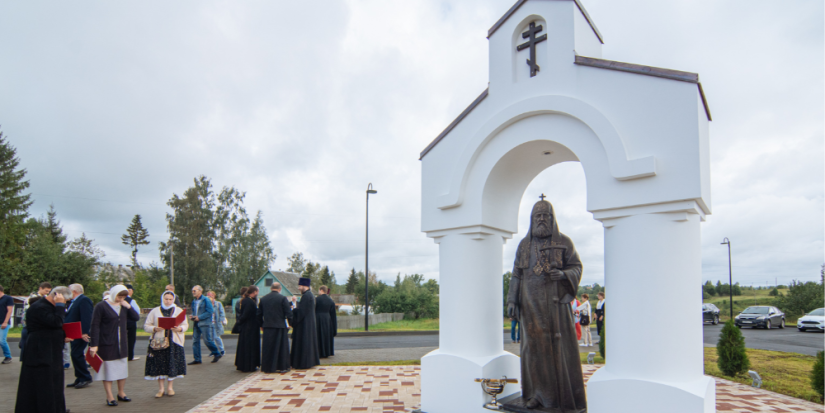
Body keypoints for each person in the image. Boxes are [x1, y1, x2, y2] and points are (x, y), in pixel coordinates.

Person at [506, 199, 586, 411]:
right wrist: (512, 299)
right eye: (537, 216)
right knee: (533, 352)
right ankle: (536, 394)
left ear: (552, 219)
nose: (541, 219)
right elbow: (516, 274)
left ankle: (558, 398)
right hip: (530, 308)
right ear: (531, 220)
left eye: (545, 216)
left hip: (555, 309)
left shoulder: (564, 243)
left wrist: (562, 274)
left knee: (556, 351)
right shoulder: (524, 245)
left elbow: (576, 267)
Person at [15, 286, 72, 413]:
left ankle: (56, 407)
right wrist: (59, 305)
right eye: (65, 300)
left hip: (50, 350)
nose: (65, 303)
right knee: (43, 383)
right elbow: (56, 322)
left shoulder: (49, 307)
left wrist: (63, 336)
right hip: (40, 352)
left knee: (54, 382)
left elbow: (53, 328)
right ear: (57, 296)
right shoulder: (39, 307)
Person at [89, 285, 140, 406]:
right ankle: (109, 396)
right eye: (119, 296)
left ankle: (121, 393)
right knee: (108, 370)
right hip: (106, 342)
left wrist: (128, 306)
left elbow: (136, 317)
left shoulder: (123, 306)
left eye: (123, 297)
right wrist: (94, 344)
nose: (120, 299)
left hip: (121, 343)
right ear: (113, 294)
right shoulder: (101, 306)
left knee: (122, 369)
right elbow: (95, 325)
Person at [143, 291, 188, 398]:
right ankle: (161, 389)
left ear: (173, 300)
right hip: (159, 342)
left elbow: (185, 325)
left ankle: (170, 388)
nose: (168, 301)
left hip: (174, 342)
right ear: (162, 299)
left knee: (171, 364)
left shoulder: (178, 310)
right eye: (166, 299)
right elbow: (146, 326)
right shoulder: (155, 311)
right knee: (160, 364)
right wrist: (154, 328)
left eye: (170, 299)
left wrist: (179, 328)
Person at [258, 282, 293, 373]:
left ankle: (267, 367)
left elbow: (258, 314)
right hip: (280, 326)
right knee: (281, 347)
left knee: (268, 347)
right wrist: (291, 323)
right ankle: (282, 366)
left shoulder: (263, 299)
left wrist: (261, 325)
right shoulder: (282, 298)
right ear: (280, 289)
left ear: (271, 288)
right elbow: (288, 313)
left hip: (268, 326)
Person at [65, 284, 94, 388]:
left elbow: (87, 317)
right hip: (74, 331)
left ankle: (85, 377)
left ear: (74, 291)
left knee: (76, 354)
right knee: (75, 354)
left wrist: (85, 332)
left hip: (80, 332)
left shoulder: (84, 300)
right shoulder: (74, 301)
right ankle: (79, 377)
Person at [290, 277, 319, 370]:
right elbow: (303, 307)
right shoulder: (310, 295)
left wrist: (293, 310)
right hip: (308, 322)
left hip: (304, 325)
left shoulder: (307, 296)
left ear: (304, 286)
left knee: (304, 344)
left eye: (299, 286)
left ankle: (302, 363)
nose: (298, 288)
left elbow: (301, 311)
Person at [19, 282, 52, 360]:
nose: (47, 293)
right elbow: (29, 312)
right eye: (46, 291)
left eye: (48, 291)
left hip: (39, 326)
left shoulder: (46, 298)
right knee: (27, 345)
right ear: (40, 288)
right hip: (29, 325)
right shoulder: (31, 298)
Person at [188, 285, 221, 364]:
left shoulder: (205, 299)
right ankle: (197, 359)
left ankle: (216, 353)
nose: (193, 292)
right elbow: (194, 311)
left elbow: (210, 311)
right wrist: (192, 316)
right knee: (195, 340)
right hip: (196, 323)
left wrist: (199, 317)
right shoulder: (194, 301)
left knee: (207, 340)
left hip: (205, 323)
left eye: (194, 290)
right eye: (192, 291)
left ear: (200, 291)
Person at [234, 286, 261, 373]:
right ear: (255, 292)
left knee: (245, 346)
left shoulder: (246, 300)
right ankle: (248, 365)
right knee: (249, 346)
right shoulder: (249, 301)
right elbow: (245, 314)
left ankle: (244, 364)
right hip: (250, 327)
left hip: (247, 326)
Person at [315, 285, 337, 358]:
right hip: (328, 319)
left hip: (318, 318)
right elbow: (333, 314)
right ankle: (327, 352)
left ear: (321, 290)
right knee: (326, 336)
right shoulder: (330, 300)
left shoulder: (317, 299)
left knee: (319, 336)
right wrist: (334, 328)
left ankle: (319, 352)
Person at [123, 284, 141, 361]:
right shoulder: (131, 301)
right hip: (130, 323)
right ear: (129, 291)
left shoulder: (116, 300)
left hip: (120, 323)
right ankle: (130, 356)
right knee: (130, 340)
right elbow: (137, 311)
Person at [206, 291, 226, 356]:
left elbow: (222, 313)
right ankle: (214, 351)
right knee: (211, 338)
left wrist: (220, 320)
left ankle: (222, 350)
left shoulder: (218, 304)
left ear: (213, 296)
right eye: (208, 296)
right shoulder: (206, 304)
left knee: (217, 337)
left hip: (216, 323)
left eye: (210, 296)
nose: (209, 298)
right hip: (209, 323)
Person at [0, 285, 13, 364]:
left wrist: (5, 322)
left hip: (3, 322)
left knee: (2, 340)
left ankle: (8, 356)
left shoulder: (8, 298)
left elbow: (9, 311)